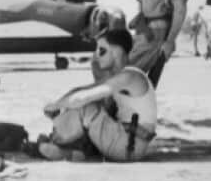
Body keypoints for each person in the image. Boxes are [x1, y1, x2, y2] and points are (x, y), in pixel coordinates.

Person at [36, 28, 157, 162]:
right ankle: (73, 152)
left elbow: (82, 98)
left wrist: (56, 106)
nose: (97, 55)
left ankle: (57, 141)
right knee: (87, 103)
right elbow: (80, 90)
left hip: (128, 146)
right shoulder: (121, 77)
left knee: (85, 106)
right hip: (126, 142)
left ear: (117, 51)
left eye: (102, 50)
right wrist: (59, 106)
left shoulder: (130, 77)